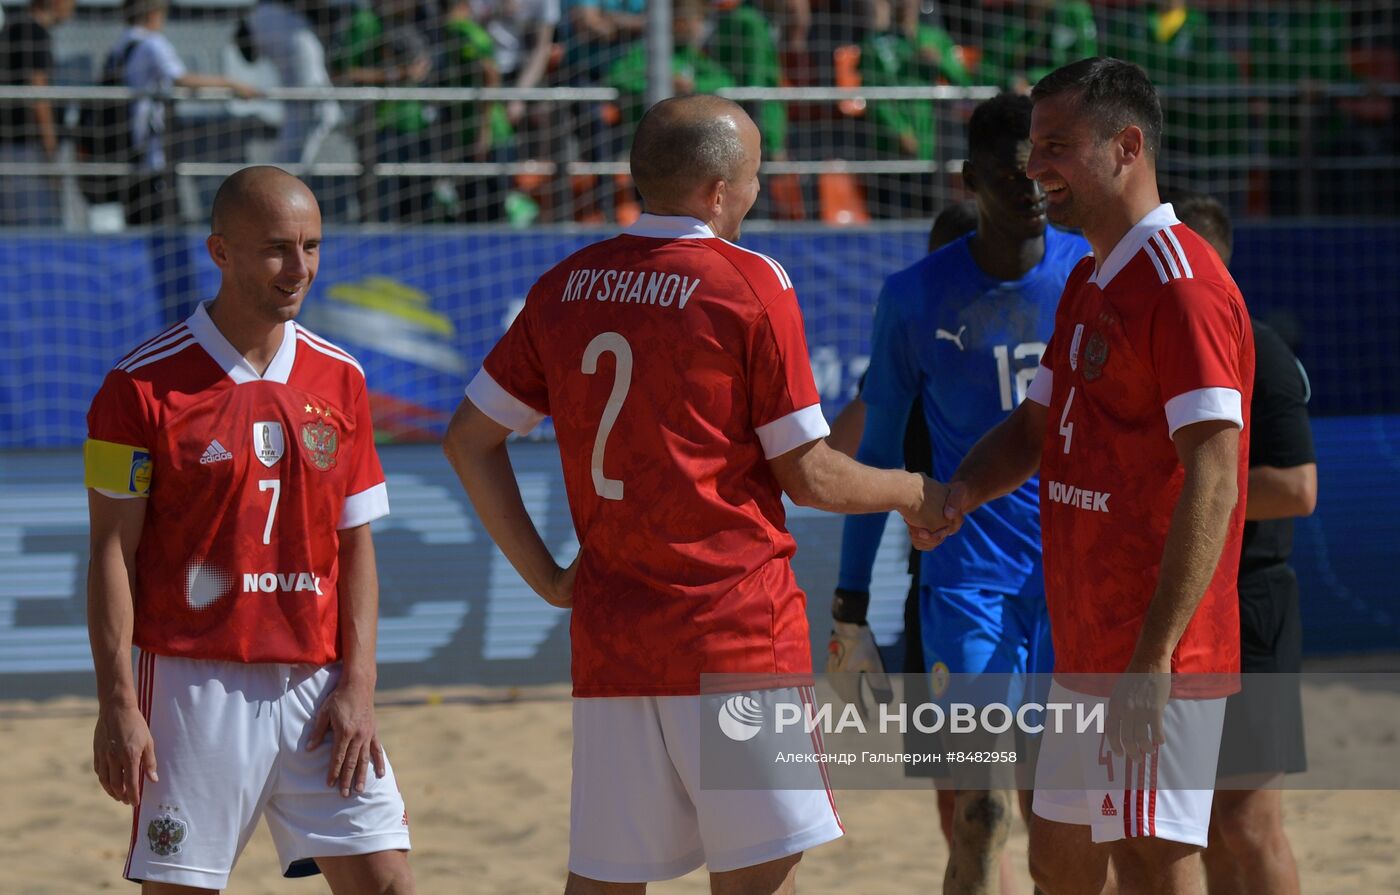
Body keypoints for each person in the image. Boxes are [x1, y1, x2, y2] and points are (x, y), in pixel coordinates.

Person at [442, 94, 951, 893]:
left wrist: (547, 578)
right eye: (753, 176)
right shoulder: (747, 281)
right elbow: (810, 475)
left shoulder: (565, 284)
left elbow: (467, 438)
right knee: (757, 877)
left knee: (606, 881)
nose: (758, 192)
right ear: (718, 191)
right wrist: (915, 491)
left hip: (615, 635)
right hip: (734, 631)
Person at [926, 58, 1254, 894]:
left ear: (1127, 147)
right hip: (1083, 645)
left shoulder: (1182, 287)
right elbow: (1036, 428)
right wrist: (959, 491)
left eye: (1058, 146)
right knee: (1056, 858)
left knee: (1153, 858)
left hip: (1154, 651)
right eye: (1035, 147)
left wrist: (1154, 657)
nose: (1035, 169)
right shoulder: (1086, 275)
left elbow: (1216, 472)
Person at [85, 166, 414, 892]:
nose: (299, 269)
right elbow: (111, 549)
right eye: (276, 249)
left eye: (312, 247)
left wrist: (359, 683)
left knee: (390, 883)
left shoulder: (342, 377)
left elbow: (355, 544)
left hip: (318, 686)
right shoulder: (135, 386)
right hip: (191, 685)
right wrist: (117, 701)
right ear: (220, 251)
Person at [831, 94, 1090, 895]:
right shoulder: (914, 296)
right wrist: (849, 602)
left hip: (1082, 573)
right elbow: (876, 451)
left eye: (1046, 168)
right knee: (978, 808)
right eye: (1014, 174)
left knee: (1067, 807)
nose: (1034, 188)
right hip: (968, 581)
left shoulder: (1092, 269)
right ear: (970, 180)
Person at [1166, 189, 1314, 895]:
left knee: (1250, 823)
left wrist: (1194, 497)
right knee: (1196, 825)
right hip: (1188, 604)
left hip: (1251, 601)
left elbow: (1299, 489)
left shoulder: (1264, 352)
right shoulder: (1163, 341)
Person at [112, 0, 258, 226]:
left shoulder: (123, 43)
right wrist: (231, 84)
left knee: (138, 210)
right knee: (160, 211)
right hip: (152, 145)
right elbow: (181, 78)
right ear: (153, 13)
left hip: (130, 142)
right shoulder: (153, 43)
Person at [0, 0, 75, 227]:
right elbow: (38, 95)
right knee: (35, 229)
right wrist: (51, 152)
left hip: (12, 149)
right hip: (24, 152)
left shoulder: (13, 27)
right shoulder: (33, 32)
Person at [247, 0, 345, 171]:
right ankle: (275, 178)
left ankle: (275, 178)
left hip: (271, 16)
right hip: (282, 18)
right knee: (319, 109)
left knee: (311, 110)